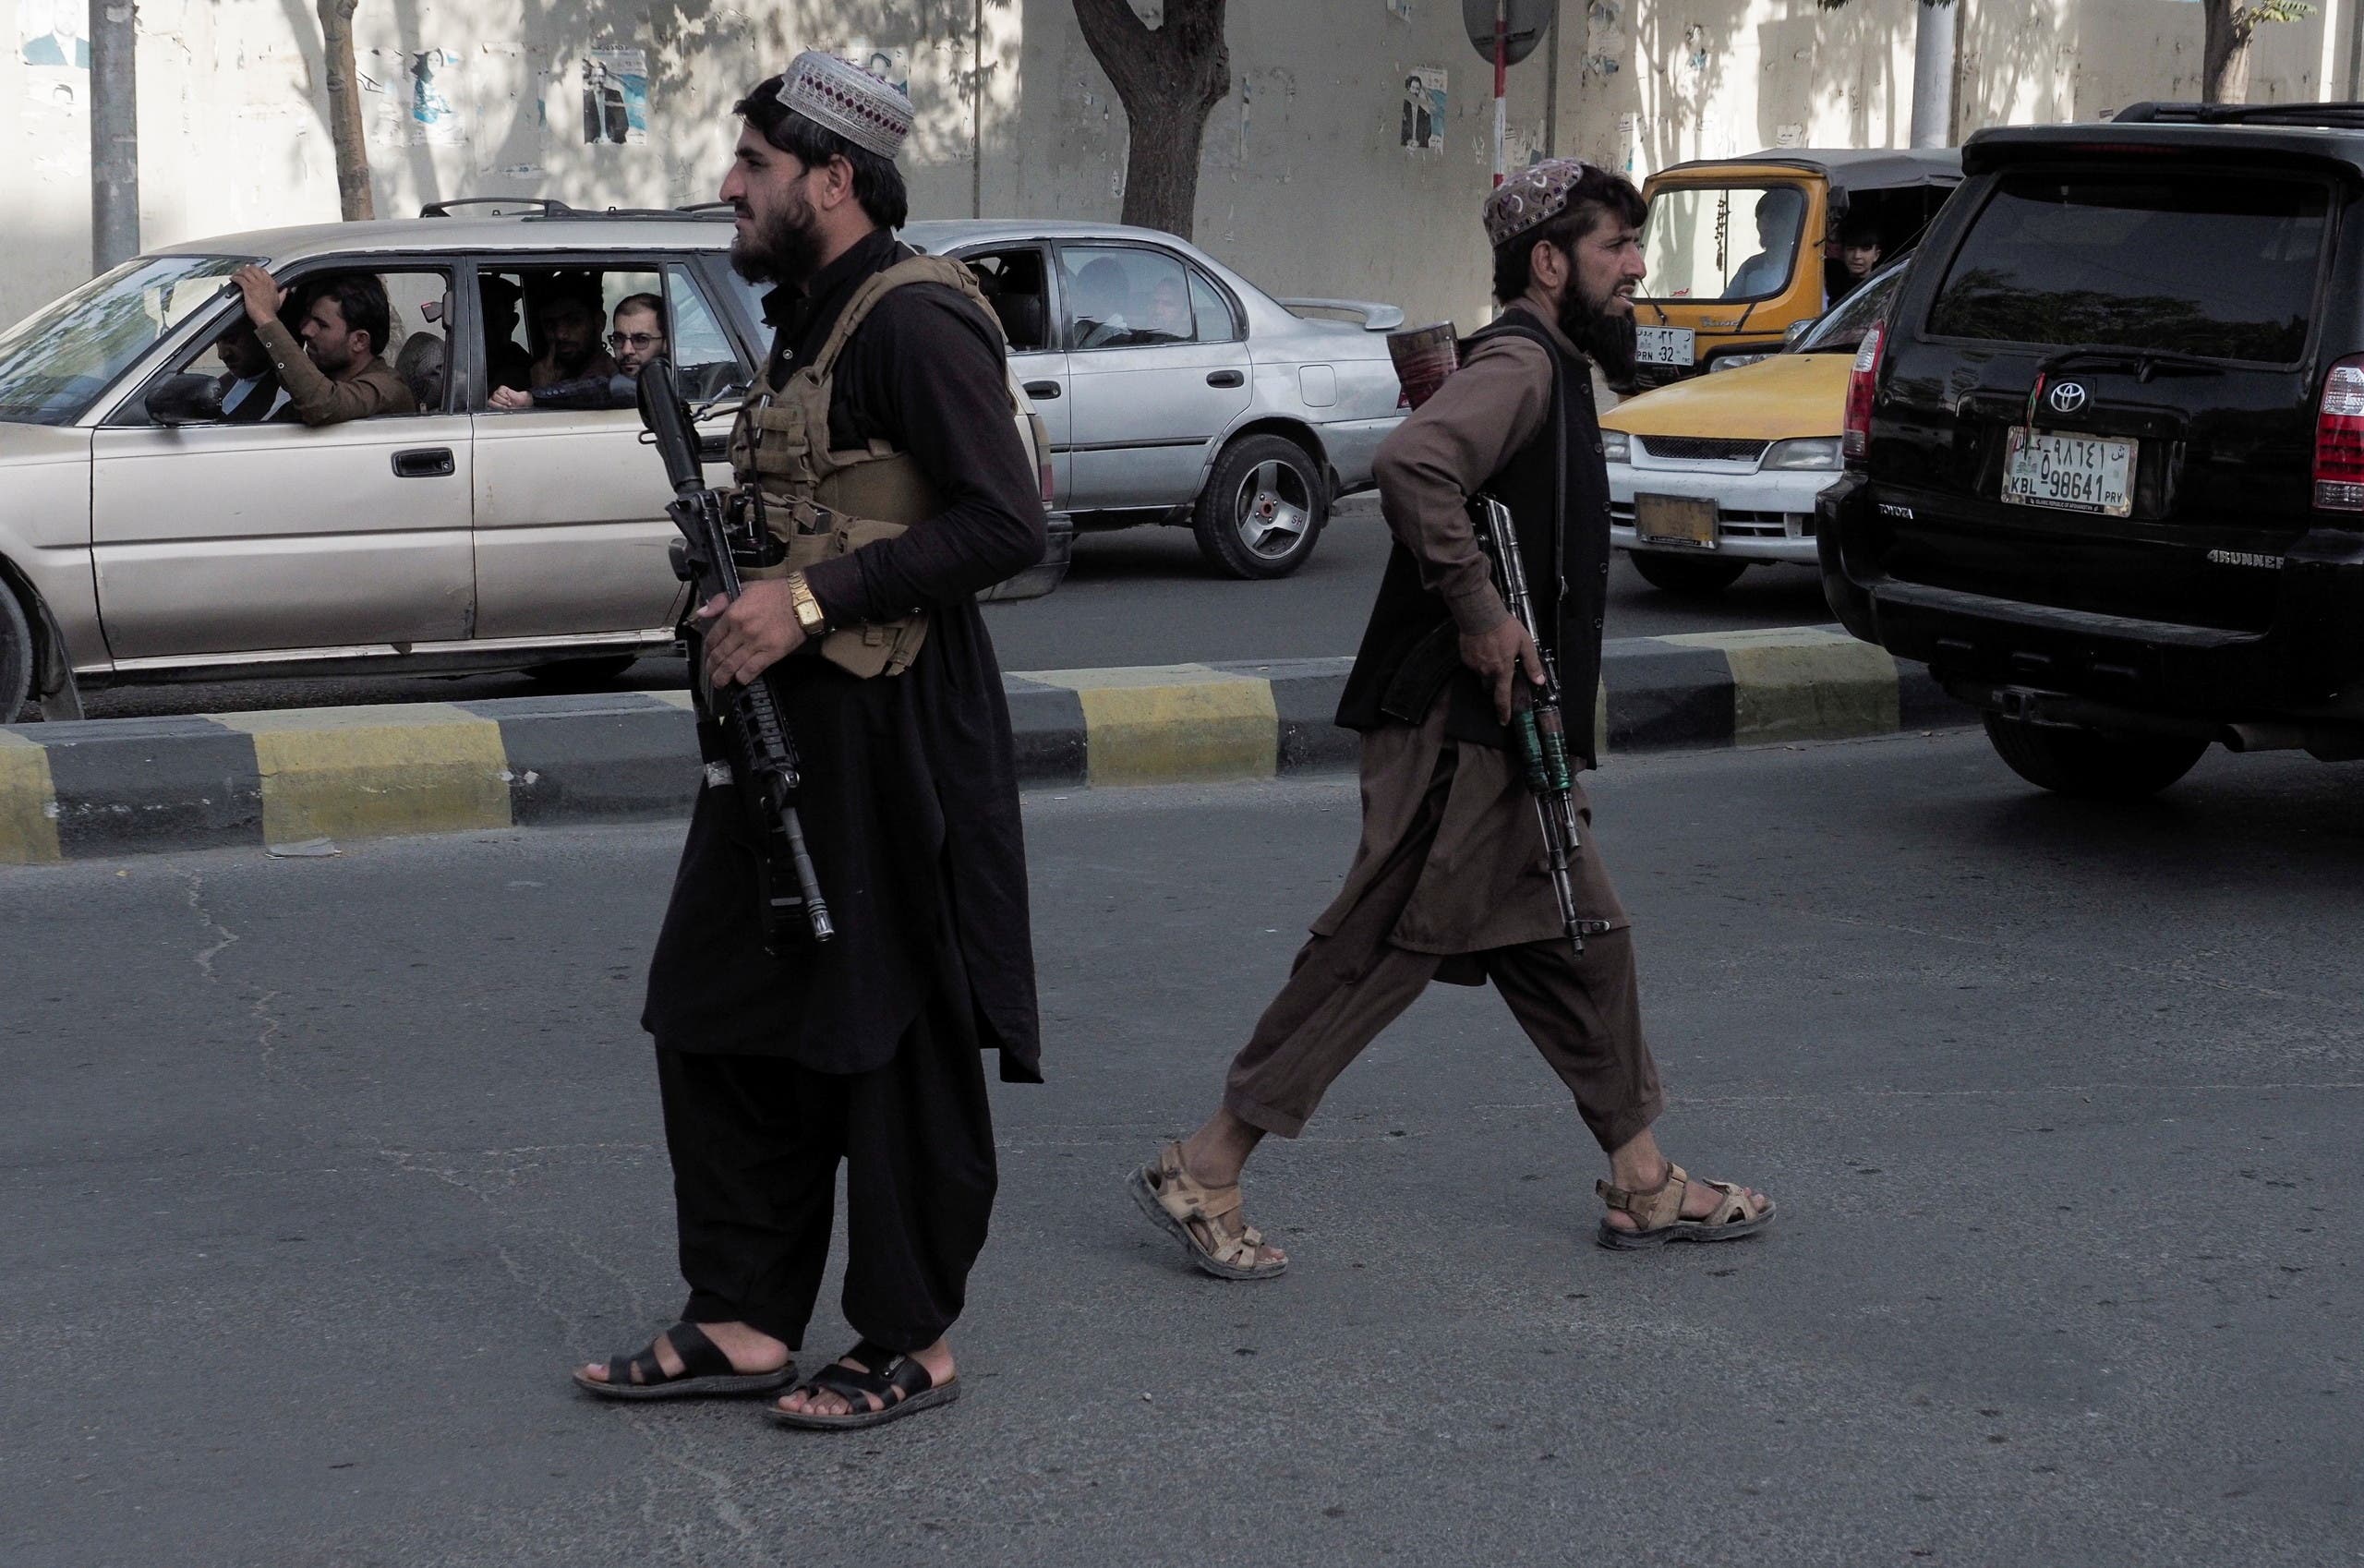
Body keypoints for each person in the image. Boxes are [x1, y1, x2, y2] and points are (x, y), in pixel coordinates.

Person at [1128, 159, 1774, 1283]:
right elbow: (1414, 464)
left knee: (1583, 941)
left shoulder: (1553, 366)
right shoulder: (1521, 362)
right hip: (1459, 729)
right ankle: (1206, 1161)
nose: (1635, 268)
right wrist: (1480, 614)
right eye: (1616, 247)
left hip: (1509, 730)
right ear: (1548, 262)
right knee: (1383, 946)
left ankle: (1641, 1177)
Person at [572, 51, 1045, 1431]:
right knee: (719, 1003)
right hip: (789, 721)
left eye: (756, 167)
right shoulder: (815, 313)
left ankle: (912, 1336)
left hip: (894, 730)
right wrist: (750, 587)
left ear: (832, 179)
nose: (731, 186)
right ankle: (743, 1313)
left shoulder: (913, 320)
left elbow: (1006, 523)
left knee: (885, 1024)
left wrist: (811, 592)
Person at [229, 266, 416, 425]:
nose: (307, 330)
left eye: (322, 324)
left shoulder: (388, 389)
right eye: (308, 318)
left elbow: (322, 405)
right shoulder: (325, 378)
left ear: (359, 341)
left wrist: (264, 316)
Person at [489, 294, 663, 411]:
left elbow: (604, 389)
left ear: (666, 343)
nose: (626, 350)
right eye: (618, 339)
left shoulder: (678, 383)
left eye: (641, 340)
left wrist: (535, 396)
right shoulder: (534, 370)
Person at [525, 275, 617, 390]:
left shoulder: (613, 382)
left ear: (599, 322)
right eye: (550, 325)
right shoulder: (547, 375)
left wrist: (544, 392)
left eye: (573, 321)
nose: (560, 335)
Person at [1725, 187, 1804, 300]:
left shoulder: (1803, 265)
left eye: (1772, 220)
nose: (1763, 226)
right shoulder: (1751, 266)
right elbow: (1726, 303)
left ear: (1790, 225)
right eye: (1760, 220)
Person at [210, 319, 285, 423]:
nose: (222, 354)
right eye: (217, 342)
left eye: (232, 340)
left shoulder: (284, 395)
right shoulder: (223, 382)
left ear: (260, 335)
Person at [1831, 217, 1885, 300]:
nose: (1857, 256)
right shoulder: (1830, 286)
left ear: (1876, 255)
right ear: (1842, 252)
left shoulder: (1882, 289)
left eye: (1865, 250)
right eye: (1851, 249)